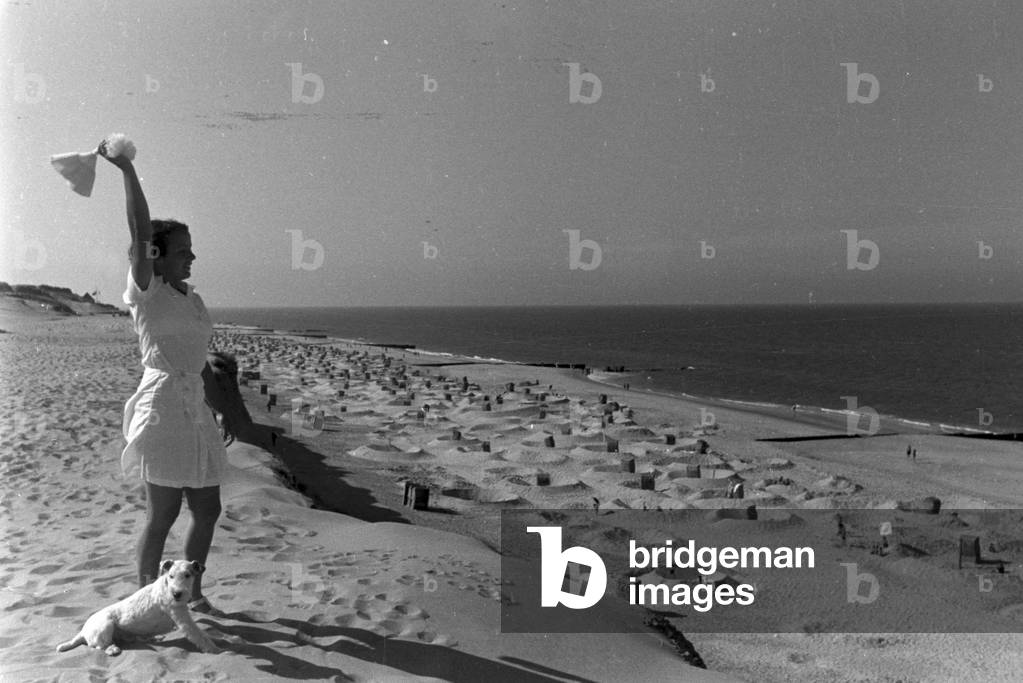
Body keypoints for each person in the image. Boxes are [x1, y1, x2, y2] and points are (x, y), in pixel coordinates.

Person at [100, 140, 226, 613]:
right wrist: (127, 170)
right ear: (156, 255)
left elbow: (199, 360)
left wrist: (221, 408)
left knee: (208, 509)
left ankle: (187, 593)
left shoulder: (191, 298)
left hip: (195, 409)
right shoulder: (148, 292)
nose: (191, 258)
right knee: (163, 514)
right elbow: (138, 228)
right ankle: (147, 600)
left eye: (192, 251)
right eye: (183, 252)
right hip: (162, 407)